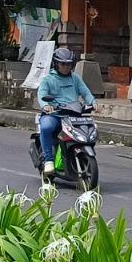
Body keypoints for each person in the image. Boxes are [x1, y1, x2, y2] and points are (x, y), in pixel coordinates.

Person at [36, 46, 96, 177]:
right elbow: (41, 94)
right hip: (55, 115)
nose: (66, 67)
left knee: (91, 129)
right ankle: (48, 161)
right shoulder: (48, 79)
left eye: (69, 64)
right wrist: (46, 105)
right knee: (46, 127)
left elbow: (85, 92)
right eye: (63, 64)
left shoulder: (75, 78)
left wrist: (93, 102)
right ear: (56, 64)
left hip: (73, 115)